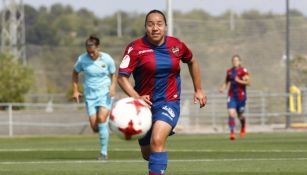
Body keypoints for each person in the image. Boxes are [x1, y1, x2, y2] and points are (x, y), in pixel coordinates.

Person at [117, 10, 207, 175]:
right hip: (144, 107)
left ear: (165, 26)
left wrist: (199, 89)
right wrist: (137, 98)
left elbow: (192, 61)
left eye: (159, 24)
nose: (155, 28)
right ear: (145, 27)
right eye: (151, 24)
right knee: (148, 153)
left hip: (168, 102)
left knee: (157, 140)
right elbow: (122, 78)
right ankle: (158, 166)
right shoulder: (135, 47)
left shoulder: (176, 45)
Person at [72, 35, 116, 160]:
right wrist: (75, 90)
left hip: (105, 94)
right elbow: (75, 72)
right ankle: (105, 127)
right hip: (90, 96)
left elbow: (113, 74)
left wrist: (112, 87)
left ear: (98, 48)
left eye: (93, 52)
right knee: (95, 127)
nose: (91, 55)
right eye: (88, 52)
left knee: (101, 119)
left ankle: (103, 153)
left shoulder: (107, 59)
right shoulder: (82, 59)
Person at [219, 55, 250, 140]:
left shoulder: (244, 71)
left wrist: (238, 80)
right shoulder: (229, 71)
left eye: (237, 60)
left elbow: (248, 83)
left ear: (240, 61)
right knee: (231, 113)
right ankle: (232, 133)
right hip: (231, 95)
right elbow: (226, 82)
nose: (235, 62)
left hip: (241, 96)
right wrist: (222, 88)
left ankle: (243, 126)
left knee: (240, 115)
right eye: (233, 60)